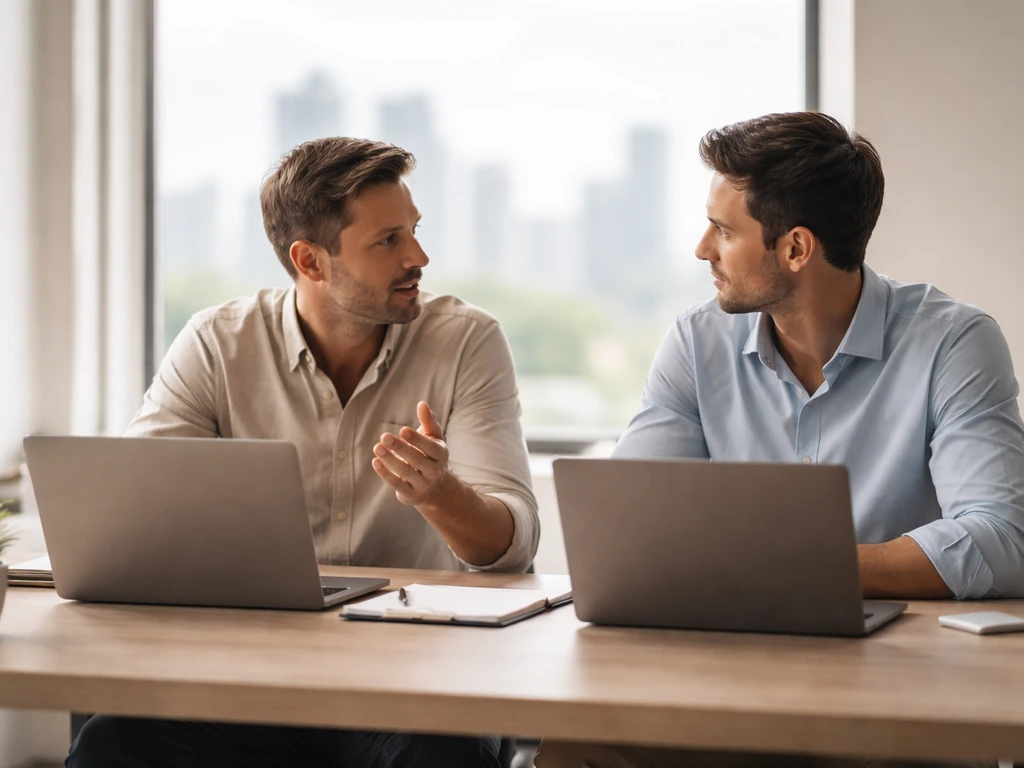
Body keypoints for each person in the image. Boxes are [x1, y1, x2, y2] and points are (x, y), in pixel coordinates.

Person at [536, 111, 1023, 768]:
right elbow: (630, 535)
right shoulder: (696, 342)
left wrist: (801, 573)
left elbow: (1002, 537)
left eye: (723, 230)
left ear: (796, 248)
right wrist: (771, 579)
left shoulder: (952, 343)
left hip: (899, 683)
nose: (702, 249)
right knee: (575, 745)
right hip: (723, 677)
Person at [66, 137, 539, 768]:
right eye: (388, 241)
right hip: (249, 673)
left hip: (414, 675)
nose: (418, 258)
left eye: (414, 231)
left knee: (439, 754)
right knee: (112, 744)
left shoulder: (467, 342)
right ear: (309, 261)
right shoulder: (216, 344)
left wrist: (439, 494)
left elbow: (511, 548)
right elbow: (134, 519)